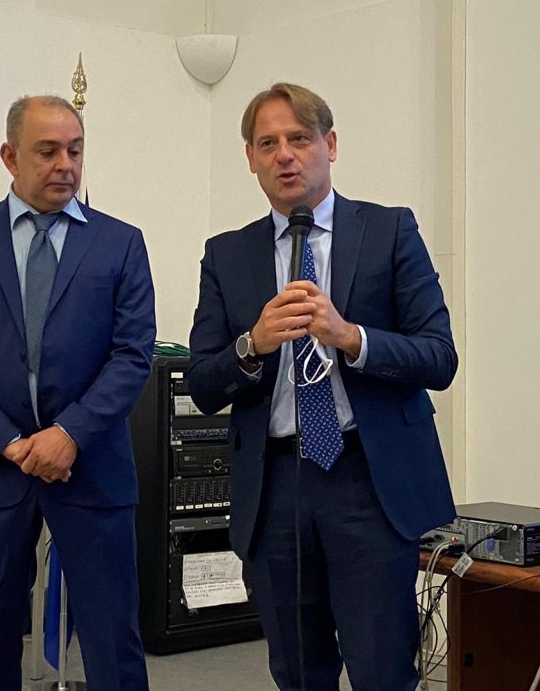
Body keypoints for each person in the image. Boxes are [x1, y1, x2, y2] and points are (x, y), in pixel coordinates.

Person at [187, 82, 457, 690]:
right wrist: (252, 344)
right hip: (276, 486)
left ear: (329, 145)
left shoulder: (389, 231)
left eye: (299, 139)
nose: (285, 155)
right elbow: (203, 382)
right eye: (268, 144)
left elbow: (439, 357)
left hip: (366, 479)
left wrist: (350, 336)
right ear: (251, 158)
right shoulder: (227, 255)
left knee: (382, 669)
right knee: (298, 672)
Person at [0, 95, 155, 691]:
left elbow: (133, 355)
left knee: (114, 645)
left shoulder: (120, 243)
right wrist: (11, 442)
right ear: (10, 156)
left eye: (75, 150)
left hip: (92, 468)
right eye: (47, 151)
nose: (65, 165)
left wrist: (69, 433)